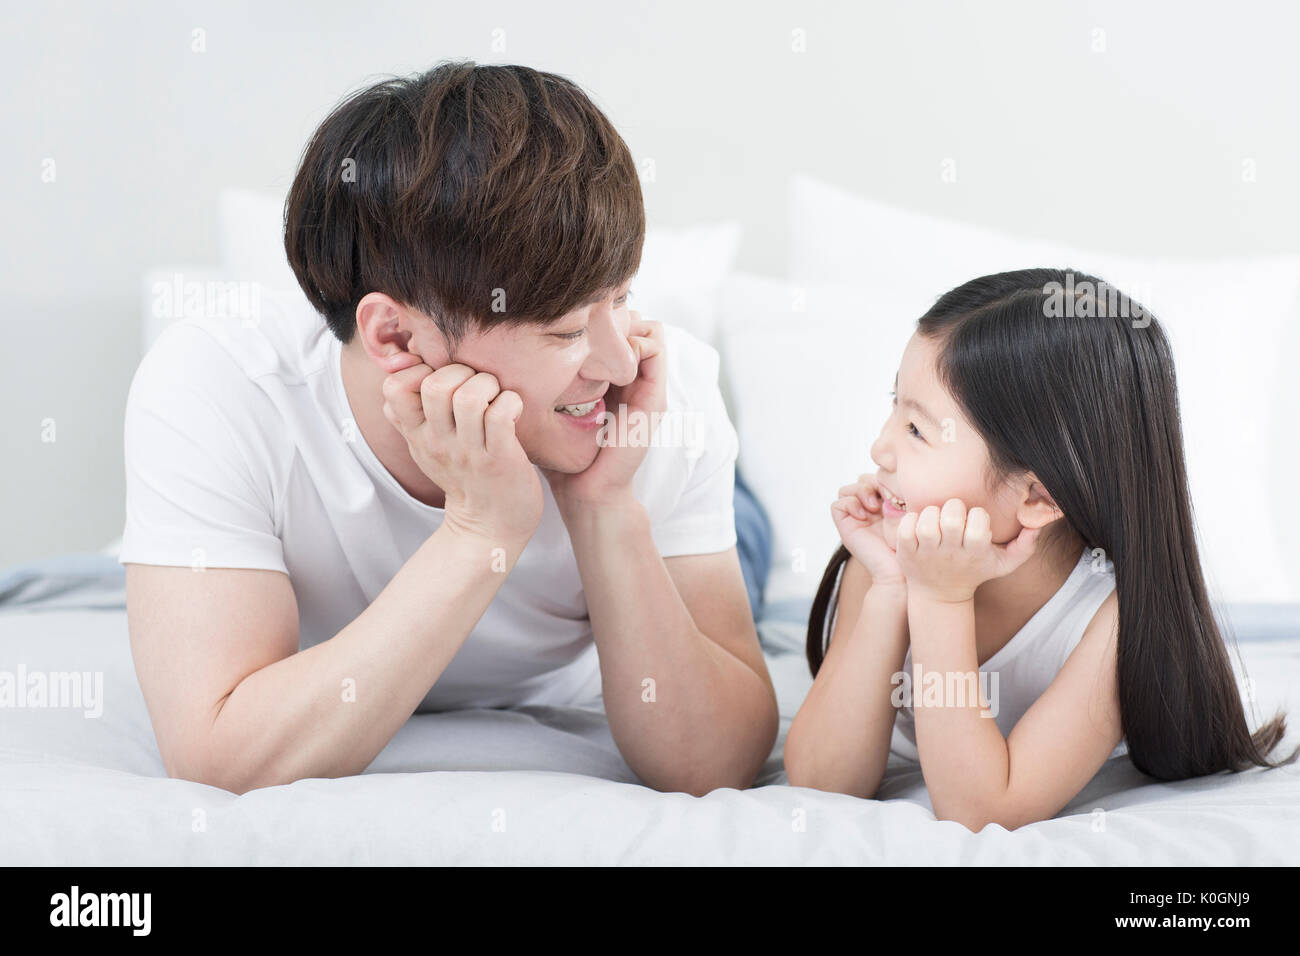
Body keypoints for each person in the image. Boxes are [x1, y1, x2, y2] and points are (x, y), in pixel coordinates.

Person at [120, 61, 777, 796]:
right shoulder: (220, 388)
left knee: (747, 545)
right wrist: (480, 533)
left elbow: (714, 762)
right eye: (565, 333)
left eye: (623, 298)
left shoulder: (660, 394)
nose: (622, 362)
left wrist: (605, 510)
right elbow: (221, 758)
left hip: (640, 477)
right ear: (397, 339)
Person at [784, 268, 1297, 830]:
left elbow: (980, 809)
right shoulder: (890, 559)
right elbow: (820, 781)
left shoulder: (1112, 623)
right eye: (894, 406)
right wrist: (888, 588)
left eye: (916, 430)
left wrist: (941, 600)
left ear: (1035, 497)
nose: (879, 446)